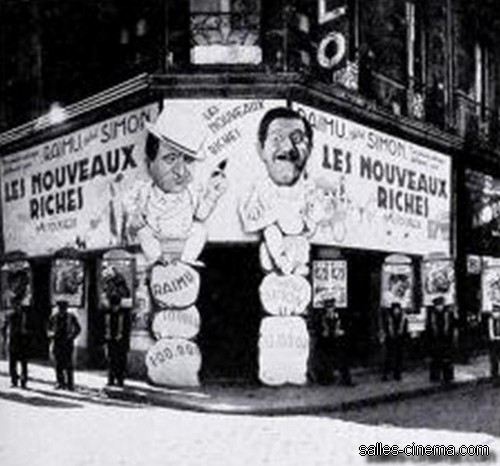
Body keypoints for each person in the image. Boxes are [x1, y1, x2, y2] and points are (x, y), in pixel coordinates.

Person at [125, 111, 227, 267]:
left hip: (182, 237)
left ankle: (187, 259)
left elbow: (201, 214)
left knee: (200, 230)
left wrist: (213, 194)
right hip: (156, 236)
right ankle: (156, 259)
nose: (181, 171)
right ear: (149, 163)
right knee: (143, 232)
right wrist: (134, 217)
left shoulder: (192, 192)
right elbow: (129, 205)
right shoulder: (145, 191)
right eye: (170, 159)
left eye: (187, 160)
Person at [240, 107, 319, 276]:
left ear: (309, 150)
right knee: (271, 233)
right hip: (273, 252)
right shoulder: (260, 188)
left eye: (297, 139)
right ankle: (281, 260)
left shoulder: (309, 189)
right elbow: (250, 220)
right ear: (260, 150)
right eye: (277, 138)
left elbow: (314, 222)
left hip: (297, 244)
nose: (288, 147)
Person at [310, 297, 352, 386]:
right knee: (326, 360)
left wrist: (341, 331)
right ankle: (327, 379)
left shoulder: (338, 316)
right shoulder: (322, 317)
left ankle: (346, 379)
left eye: (331, 307)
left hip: (336, 341)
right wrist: (322, 332)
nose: (330, 309)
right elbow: (319, 329)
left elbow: (345, 326)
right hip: (326, 342)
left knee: (342, 358)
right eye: (328, 307)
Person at [47, 300, 81, 390]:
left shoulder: (71, 317)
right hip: (57, 342)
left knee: (68, 364)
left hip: (67, 343)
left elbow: (78, 328)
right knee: (58, 364)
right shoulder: (54, 317)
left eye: (63, 308)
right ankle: (60, 382)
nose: (62, 310)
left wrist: (72, 336)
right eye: (60, 308)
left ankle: (70, 384)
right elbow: (48, 329)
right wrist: (51, 335)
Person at [426, 296, 457, 384]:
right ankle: (435, 377)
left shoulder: (448, 314)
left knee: (447, 359)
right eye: (437, 305)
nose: (439, 307)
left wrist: (451, 339)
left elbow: (452, 326)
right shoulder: (431, 315)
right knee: (435, 359)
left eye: (441, 305)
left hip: (446, 340)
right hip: (435, 340)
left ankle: (448, 377)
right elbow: (428, 328)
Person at [1, 298, 30, 388]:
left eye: (17, 304)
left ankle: (23, 381)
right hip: (12, 341)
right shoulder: (9, 315)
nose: (16, 306)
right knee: (12, 363)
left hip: (22, 341)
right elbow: (3, 328)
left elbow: (30, 328)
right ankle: (14, 380)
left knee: (23, 363)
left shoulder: (25, 315)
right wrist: (5, 340)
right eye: (14, 304)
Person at [104, 294, 132, 387]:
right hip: (111, 341)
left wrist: (124, 340)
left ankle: (120, 380)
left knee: (121, 362)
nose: (114, 307)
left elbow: (127, 329)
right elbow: (105, 327)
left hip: (121, 343)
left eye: (115, 305)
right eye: (112, 305)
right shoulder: (108, 313)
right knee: (111, 360)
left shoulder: (124, 314)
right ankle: (111, 380)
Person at [381, 302, 408, 381]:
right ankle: (386, 374)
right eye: (395, 309)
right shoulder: (389, 318)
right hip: (390, 340)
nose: (396, 311)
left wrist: (404, 339)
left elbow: (405, 329)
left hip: (400, 340)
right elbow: (386, 328)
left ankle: (397, 374)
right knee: (389, 358)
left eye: (398, 309)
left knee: (399, 358)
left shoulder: (403, 318)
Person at [487, 304, 500, 385]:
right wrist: (493, 337)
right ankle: (494, 377)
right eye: (494, 312)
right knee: (494, 360)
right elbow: (490, 332)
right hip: (493, 343)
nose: (496, 314)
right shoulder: (490, 320)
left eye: (497, 312)